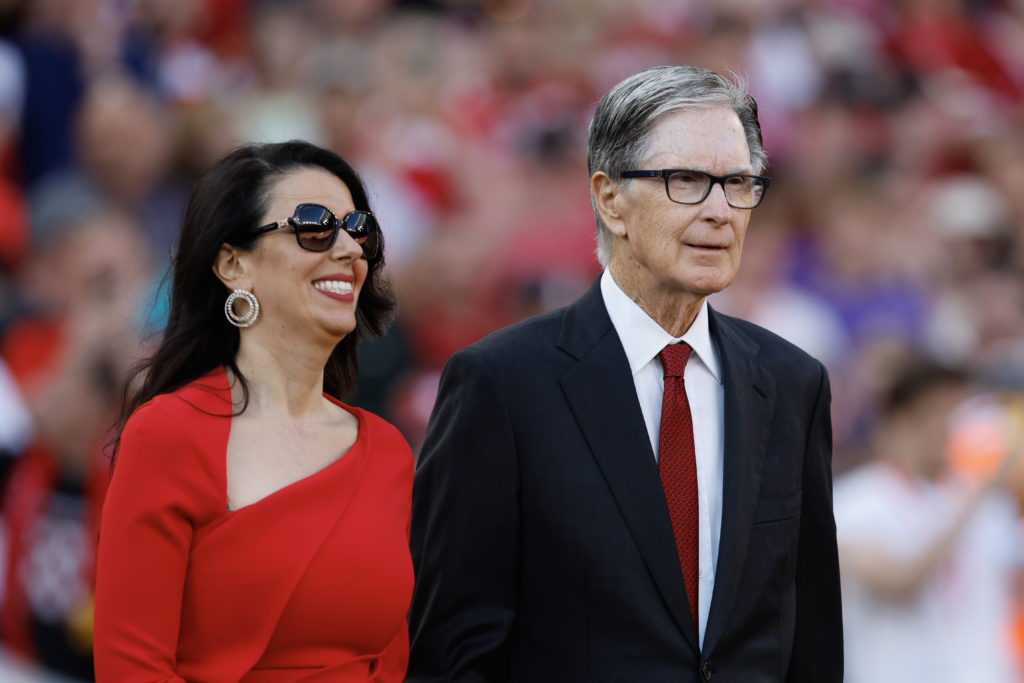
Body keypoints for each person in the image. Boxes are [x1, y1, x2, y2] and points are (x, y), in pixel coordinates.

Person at [407, 65, 843, 682]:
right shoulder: (500, 384)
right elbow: (453, 650)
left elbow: (811, 640)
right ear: (611, 199)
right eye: (687, 180)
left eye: (740, 183)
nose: (721, 210)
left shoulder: (793, 383)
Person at [93, 140, 414, 681]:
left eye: (359, 229)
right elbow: (131, 667)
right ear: (233, 264)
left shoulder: (387, 451)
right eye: (314, 225)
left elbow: (391, 659)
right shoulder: (168, 433)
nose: (349, 249)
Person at [834, 357, 1023, 683]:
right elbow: (899, 582)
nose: (953, 426)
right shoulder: (856, 500)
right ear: (900, 418)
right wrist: (975, 495)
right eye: (940, 412)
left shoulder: (978, 500)